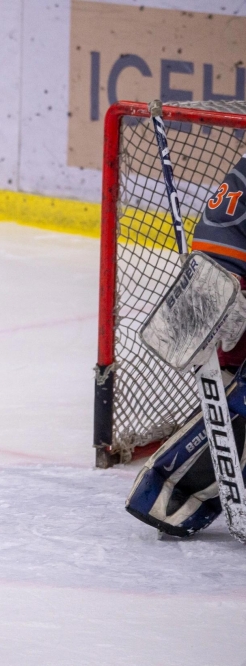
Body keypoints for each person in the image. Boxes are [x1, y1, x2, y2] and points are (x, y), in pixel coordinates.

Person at [127, 155, 246, 536]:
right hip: (227, 291)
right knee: (236, 392)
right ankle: (172, 494)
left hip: (221, 286)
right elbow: (218, 254)